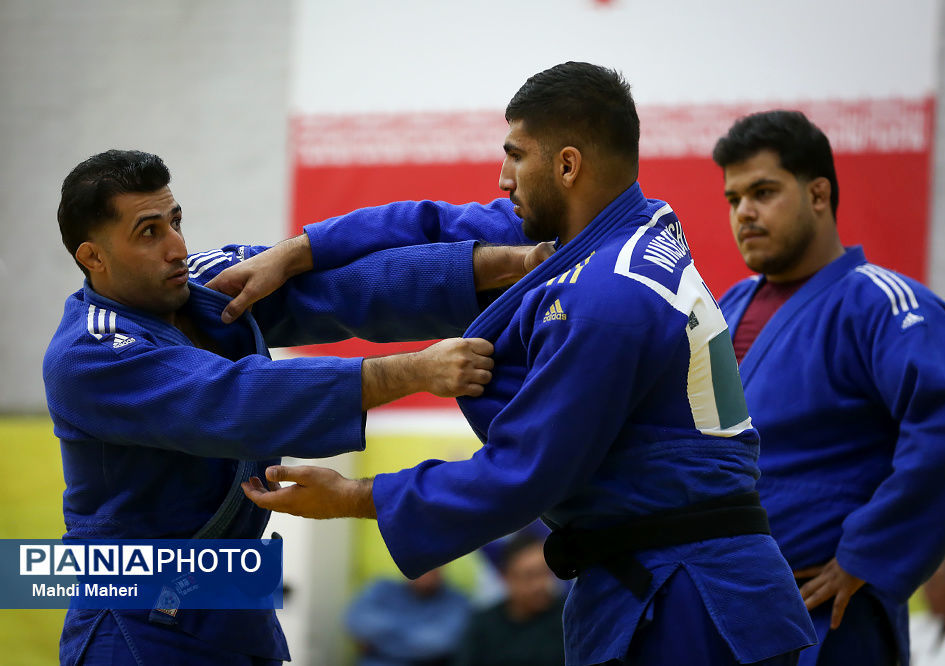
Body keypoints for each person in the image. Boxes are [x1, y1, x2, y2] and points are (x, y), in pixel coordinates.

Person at [240, 62, 816, 665]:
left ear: (567, 166)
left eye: (515, 156)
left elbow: (525, 469)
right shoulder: (610, 232)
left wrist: (355, 495)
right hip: (653, 575)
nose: (503, 177)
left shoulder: (609, 296)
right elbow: (426, 223)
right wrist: (295, 252)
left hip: (691, 596)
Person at [44, 149, 538, 665]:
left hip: (236, 613)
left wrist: (510, 265)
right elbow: (234, 400)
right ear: (92, 257)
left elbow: (349, 288)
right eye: (149, 232)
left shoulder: (205, 285)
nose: (177, 248)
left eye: (175, 221)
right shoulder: (88, 353)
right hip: (135, 621)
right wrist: (412, 372)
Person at [710, 110, 945, 666]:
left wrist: (871, 554)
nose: (744, 212)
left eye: (764, 191)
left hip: (830, 616)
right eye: (733, 198)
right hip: (725, 614)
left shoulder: (879, 302)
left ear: (818, 194)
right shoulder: (724, 309)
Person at [454, 532, 565, 666]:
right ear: (506, 576)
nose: (539, 585)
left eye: (544, 573)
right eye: (529, 576)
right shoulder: (484, 627)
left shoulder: (567, 616)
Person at [345, 568, 470, 666]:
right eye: (418, 563)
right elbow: (355, 620)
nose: (425, 571)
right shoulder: (382, 588)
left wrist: (380, 641)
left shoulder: (457, 601)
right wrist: (416, 629)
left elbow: (437, 644)